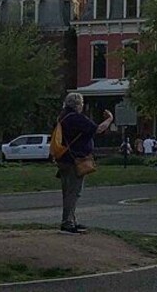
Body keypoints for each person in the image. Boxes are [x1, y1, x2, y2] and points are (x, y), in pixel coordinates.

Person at [55, 92, 114, 234]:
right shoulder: (76, 118)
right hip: (75, 159)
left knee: (67, 191)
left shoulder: (62, 116)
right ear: (77, 105)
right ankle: (67, 222)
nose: (82, 106)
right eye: (81, 104)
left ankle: (71, 219)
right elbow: (98, 129)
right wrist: (110, 119)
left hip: (63, 158)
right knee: (74, 192)